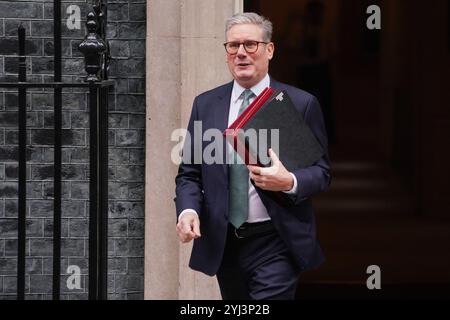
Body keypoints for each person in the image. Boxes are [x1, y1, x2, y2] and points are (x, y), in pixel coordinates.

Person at [175, 12, 331, 300]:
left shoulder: (300, 104)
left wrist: (289, 181)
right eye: (233, 46)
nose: (241, 54)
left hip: (276, 241)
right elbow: (189, 173)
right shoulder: (206, 104)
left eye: (251, 45)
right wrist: (188, 210)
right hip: (225, 244)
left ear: (269, 50)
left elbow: (321, 173)